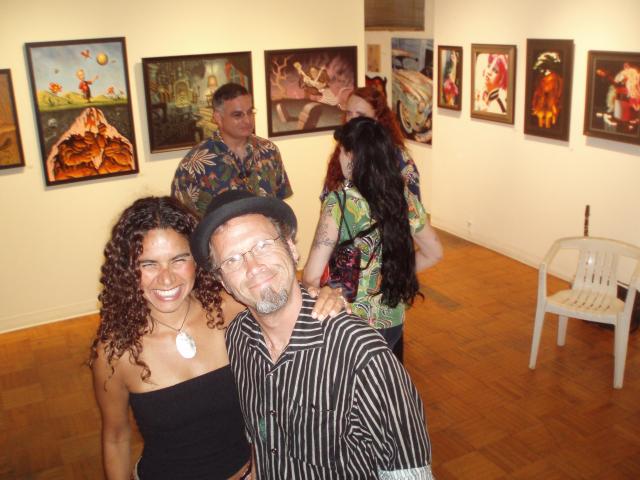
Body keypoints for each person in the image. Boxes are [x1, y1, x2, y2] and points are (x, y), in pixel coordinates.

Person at [88, 196, 343, 480]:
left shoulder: (233, 309)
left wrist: (321, 294)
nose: (166, 279)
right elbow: (116, 437)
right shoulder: (116, 352)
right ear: (127, 269)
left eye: (179, 259)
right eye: (148, 264)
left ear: (199, 261)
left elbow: (285, 302)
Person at [190, 189, 435, 479]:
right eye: (232, 260)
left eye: (263, 245)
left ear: (292, 248)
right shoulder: (238, 337)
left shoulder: (363, 357)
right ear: (223, 282)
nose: (253, 267)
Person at [304, 117, 442, 351]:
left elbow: (312, 276)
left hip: (349, 321)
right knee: (382, 374)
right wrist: (393, 275)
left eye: (341, 151)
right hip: (392, 321)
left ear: (351, 156)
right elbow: (434, 253)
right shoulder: (403, 198)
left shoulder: (338, 202)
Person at [171, 83, 292, 217]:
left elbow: (279, 203)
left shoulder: (269, 150)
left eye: (250, 112)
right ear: (218, 118)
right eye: (237, 115)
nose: (247, 120)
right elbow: (182, 220)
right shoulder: (193, 165)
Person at [322, 86, 421, 201]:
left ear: (377, 119)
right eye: (349, 113)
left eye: (361, 115)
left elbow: (413, 205)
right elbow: (327, 196)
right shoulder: (343, 151)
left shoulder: (398, 158)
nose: (351, 121)